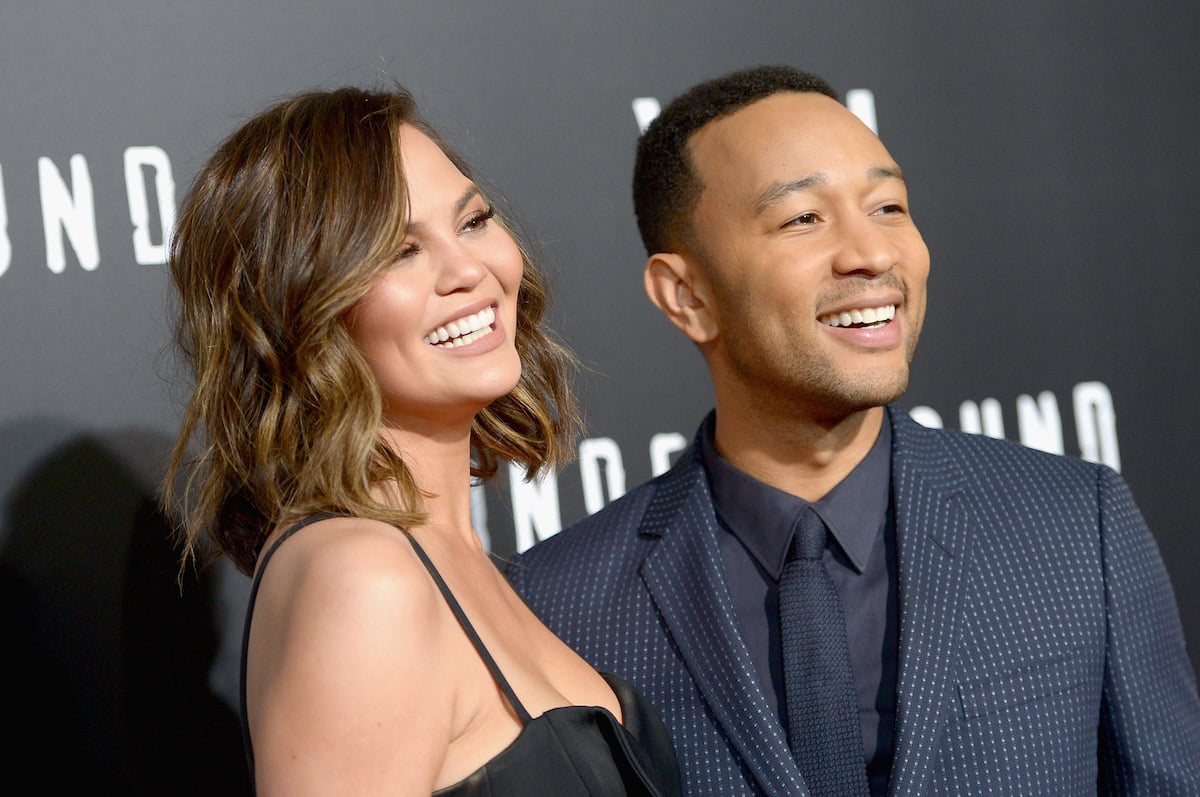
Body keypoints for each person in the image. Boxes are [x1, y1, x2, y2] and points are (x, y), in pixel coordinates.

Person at [507, 65, 1200, 796]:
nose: (871, 253)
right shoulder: (561, 605)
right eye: (803, 217)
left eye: (890, 206)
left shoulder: (1070, 523)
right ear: (688, 296)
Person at [164, 85, 682, 796]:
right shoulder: (365, 581)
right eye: (398, 252)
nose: (470, 270)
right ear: (297, 310)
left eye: (472, 221)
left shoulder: (445, 554)